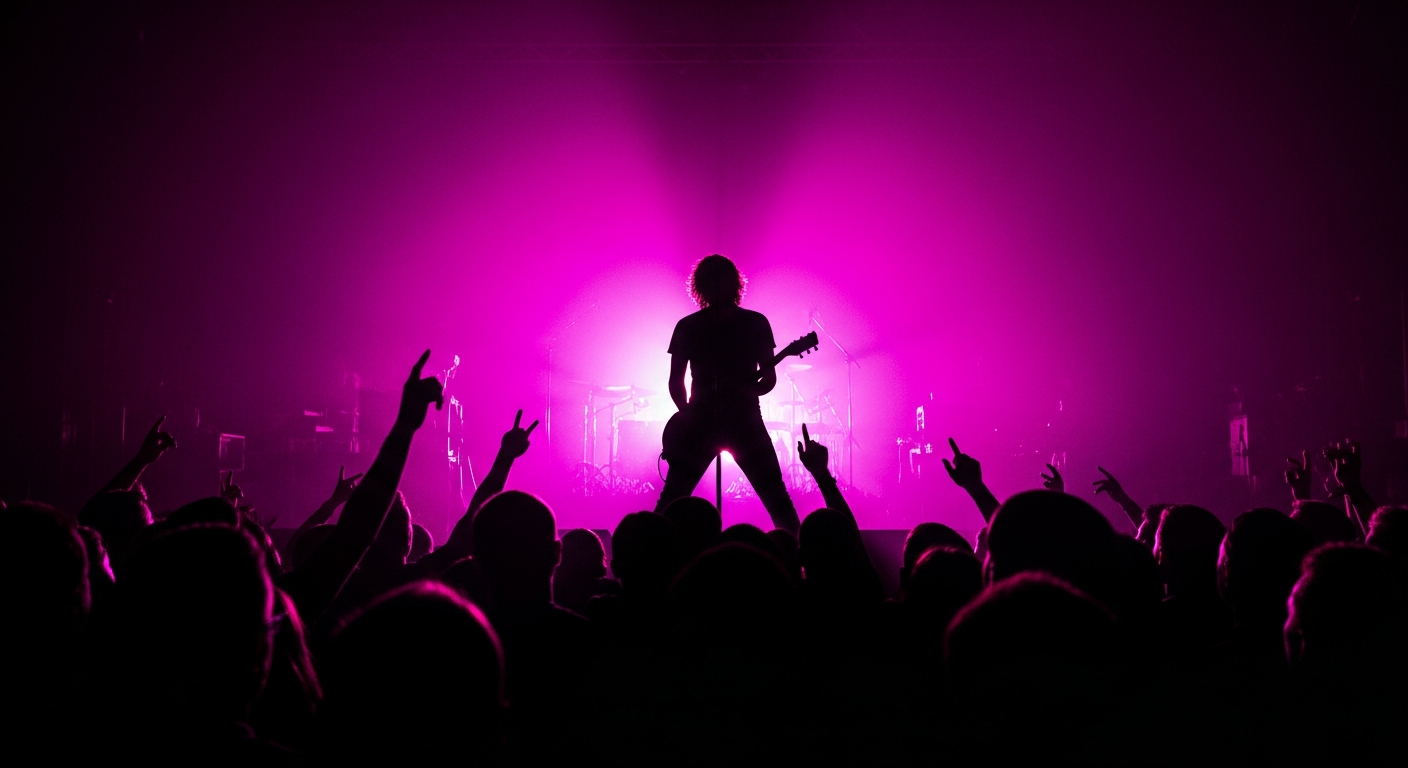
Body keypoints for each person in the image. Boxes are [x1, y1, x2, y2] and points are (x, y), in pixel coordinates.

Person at [654, 255, 800, 536]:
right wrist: (687, 416)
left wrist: (694, 413)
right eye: (711, 282)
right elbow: (675, 381)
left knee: (776, 497)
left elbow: (768, 379)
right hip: (722, 421)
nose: (716, 287)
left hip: (742, 420)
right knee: (673, 497)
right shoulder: (692, 326)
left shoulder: (749, 323)